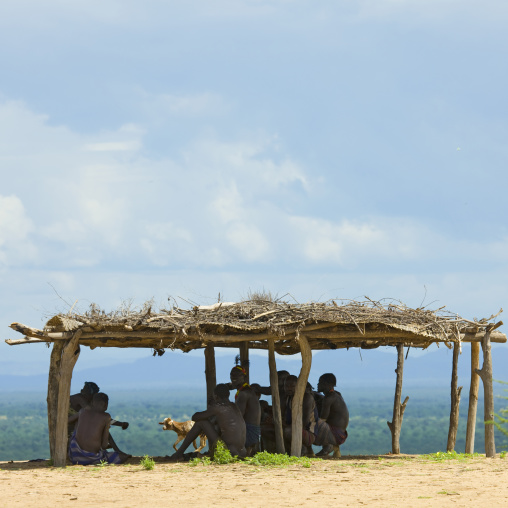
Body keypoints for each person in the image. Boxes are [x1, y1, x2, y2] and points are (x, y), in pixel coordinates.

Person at [169, 383, 247, 461]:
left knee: (201, 422)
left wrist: (212, 406)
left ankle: (178, 454)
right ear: (228, 395)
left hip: (228, 452)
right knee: (210, 424)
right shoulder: (234, 406)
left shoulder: (217, 408)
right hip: (242, 452)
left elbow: (195, 417)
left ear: (216, 396)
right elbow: (222, 421)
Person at [68, 393, 131, 465]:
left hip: (75, 455)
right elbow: (104, 446)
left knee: (78, 421)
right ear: (105, 405)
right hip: (93, 457)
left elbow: (68, 420)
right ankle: (116, 452)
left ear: (92, 402)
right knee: (122, 457)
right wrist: (106, 428)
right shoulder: (106, 417)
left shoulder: (82, 411)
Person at [69, 382, 129, 453]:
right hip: (69, 428)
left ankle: (113, 449)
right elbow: (97, 416)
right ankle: (115, 450)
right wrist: (120, 424)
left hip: (75, 425)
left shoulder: (85, 402)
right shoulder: (80, 399)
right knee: (102, 427)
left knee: (101, 426)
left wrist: (120, 424)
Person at [314, 373, 349, 457]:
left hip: (335, 435)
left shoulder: (328, 398)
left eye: (320, 382)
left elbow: (323, 419)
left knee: (308, 421)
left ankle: (326, 446)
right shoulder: (337, 394)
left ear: (327, 385)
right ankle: (335, 450)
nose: (318, 384)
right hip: (341, 433)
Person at [283, 375, 318, 455]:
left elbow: (303, 422)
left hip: (308, 434)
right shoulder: (288, 398)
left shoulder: (306, 398)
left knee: (287, 431)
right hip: (294, 428)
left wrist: (285, 425)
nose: (289, 388)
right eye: (287, 386)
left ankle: (303, 449)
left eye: (292, 386)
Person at [230, 365, 261, 454]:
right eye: (232, 375)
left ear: (244, 377)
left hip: (249, 433)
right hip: (251, 432)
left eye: (237, 375)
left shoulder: (244, 393)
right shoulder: (245, 390)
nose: (234, 377)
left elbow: (237, 417)